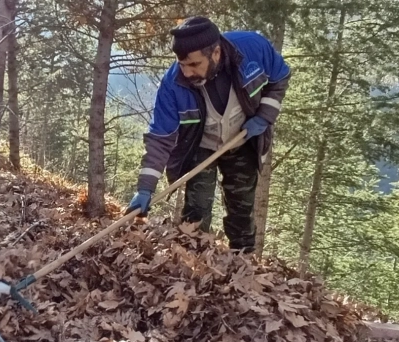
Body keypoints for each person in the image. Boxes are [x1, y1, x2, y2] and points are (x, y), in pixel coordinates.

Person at [125, 16, 291, 254]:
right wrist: (145, 188)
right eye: (182, 64)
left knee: (241, 209)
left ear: (215, 53)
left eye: (193, 64)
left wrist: (265, 115)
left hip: (243, 139)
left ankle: (243, 264)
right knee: (197, 209)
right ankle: (195, 262)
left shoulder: (252, 48)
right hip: (199, 146)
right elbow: (160, 138)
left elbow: (280, 77)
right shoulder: (173, 84)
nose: (187, 72)